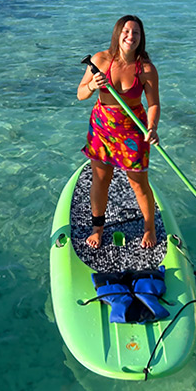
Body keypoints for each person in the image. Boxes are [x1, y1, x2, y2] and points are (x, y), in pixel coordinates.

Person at [76, 15, 161, 249]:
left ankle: (149, 227)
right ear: (117, 34)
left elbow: (153, 104)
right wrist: (92, 85)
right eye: (126, 31)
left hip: (133, 129)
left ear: (141, 38)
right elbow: (81, 94)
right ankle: (97, 228)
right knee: (101, 179)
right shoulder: (100, 60)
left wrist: (152, 127)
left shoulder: (146, 69)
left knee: (138, 182)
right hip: (102, 127)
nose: (130, 36)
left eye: (136, 33)